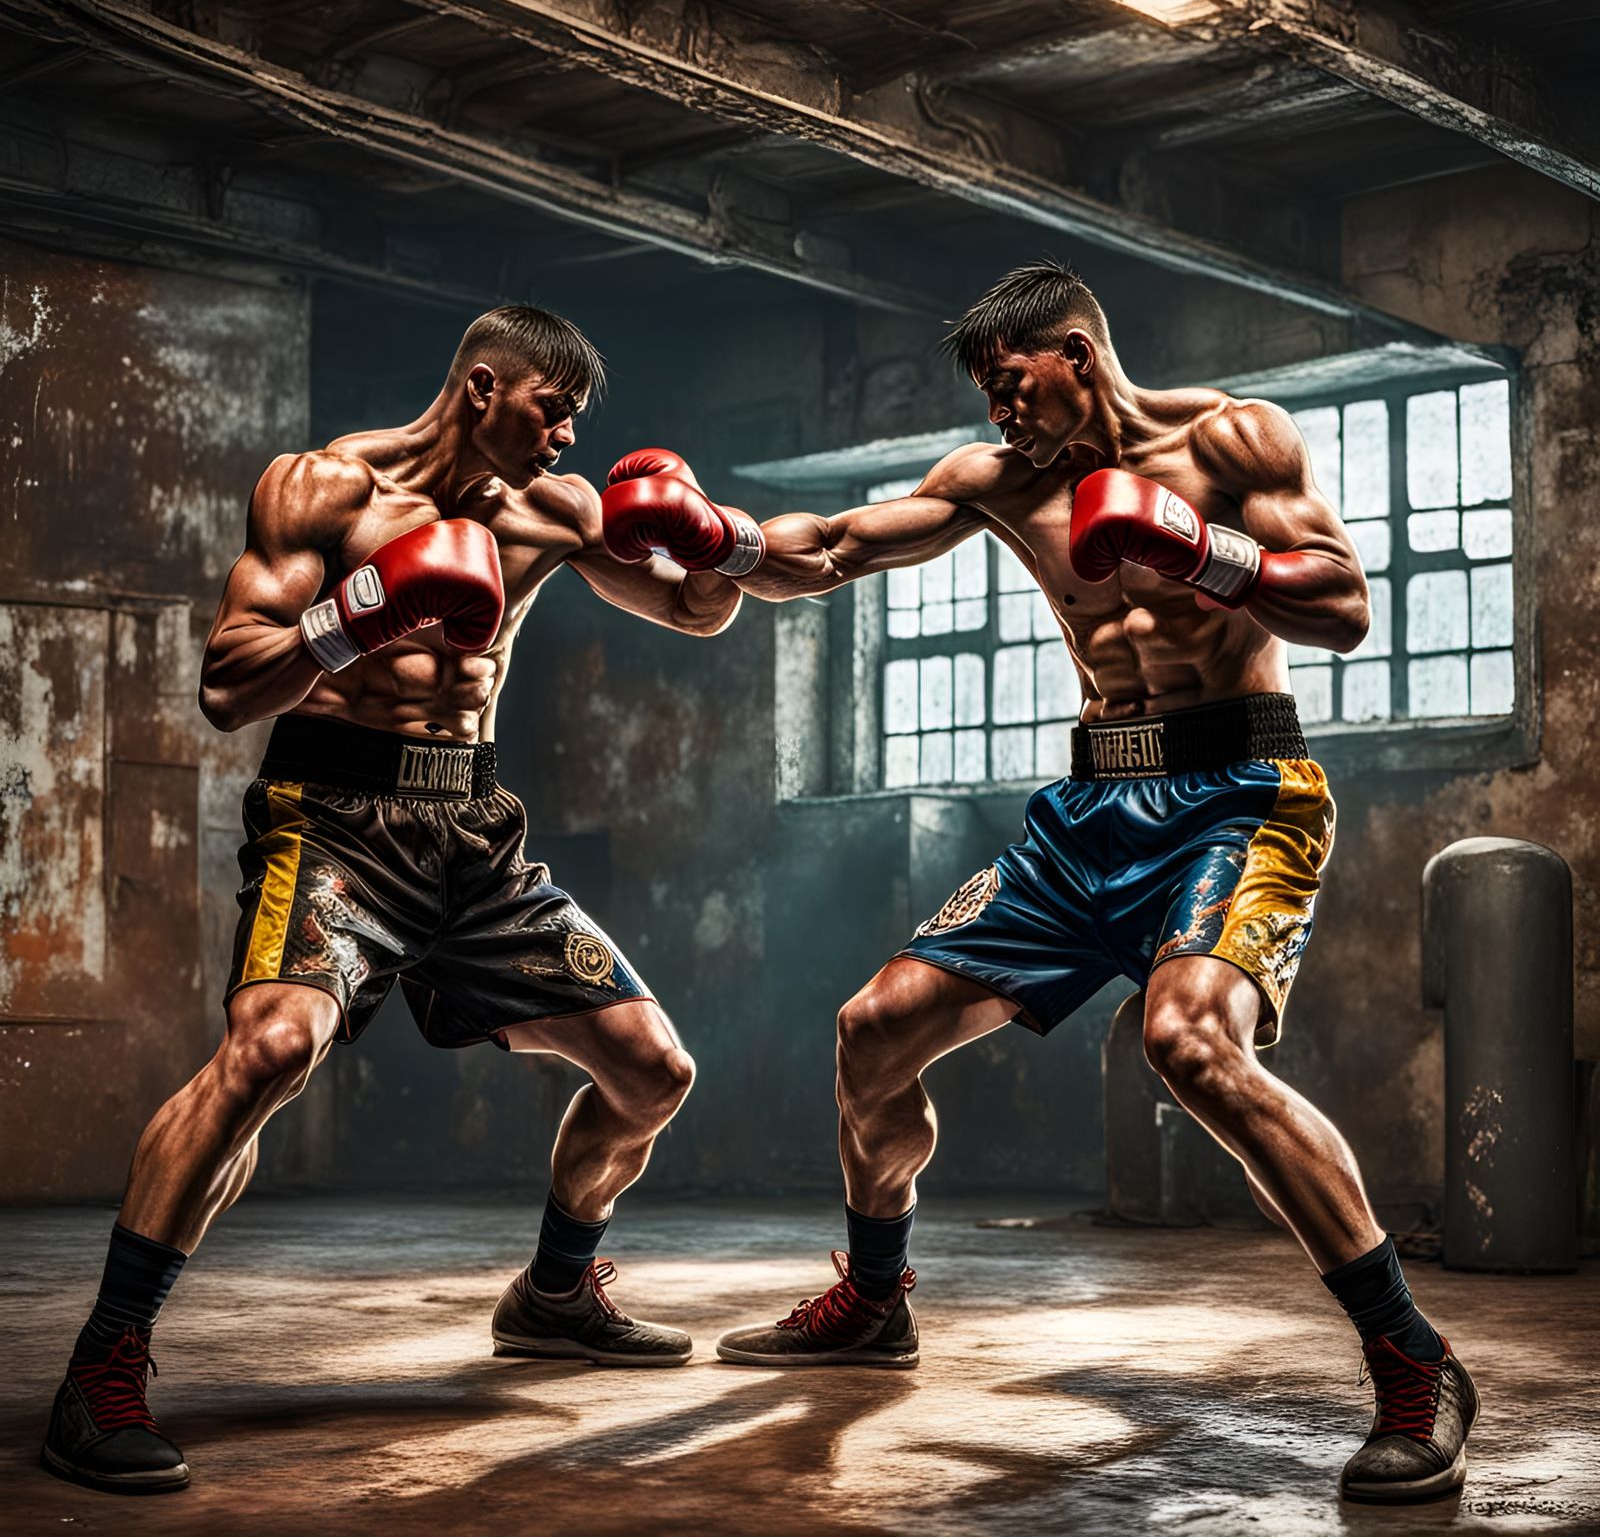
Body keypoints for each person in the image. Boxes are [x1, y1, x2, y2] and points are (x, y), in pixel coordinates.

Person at [606, 260, 1478, 1505]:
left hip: (1238, 793)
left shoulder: (1234, 436)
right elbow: (842, 542)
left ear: (1076, 350)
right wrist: (722, 538)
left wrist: (1201, 550)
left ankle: (1412, 1362)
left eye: (1014, 388)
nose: (1000, 417)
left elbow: (1341, 606)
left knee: (1190, 1046)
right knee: (872, 1034)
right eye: (988, 399)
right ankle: (872, 1294)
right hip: (1084, 819)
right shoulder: (1001, 482)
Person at [41, 306, 759, 1495]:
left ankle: (555, 1292)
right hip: (333, 820)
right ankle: (103, 1367)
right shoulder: (325, 488)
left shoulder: (556, 510)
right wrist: (360, 612)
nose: (569, 433)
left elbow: (696, 608)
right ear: (482, 386)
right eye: (550, 406)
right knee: (270, 1049)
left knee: (653, 1073)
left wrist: (710, 536)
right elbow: (229, 684)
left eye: (577, 414)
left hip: (475, 838)